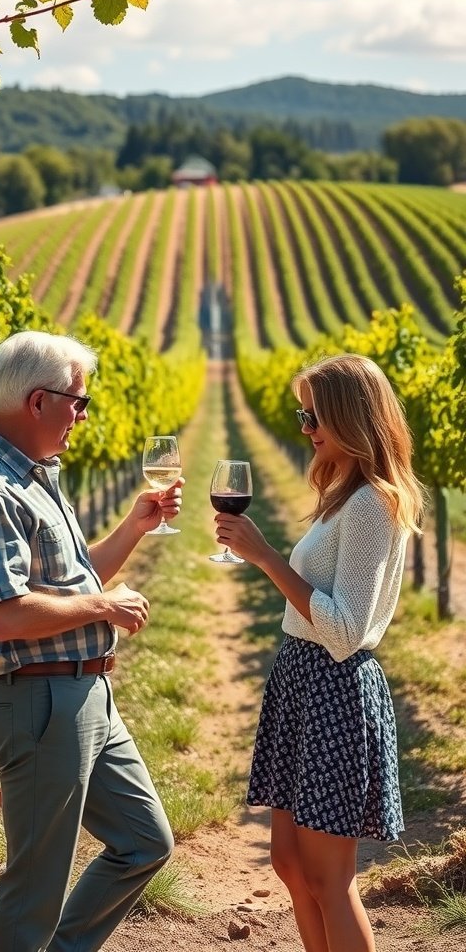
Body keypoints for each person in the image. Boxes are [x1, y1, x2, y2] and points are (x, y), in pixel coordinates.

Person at [0, 330, 183, 952]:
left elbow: (77, 579)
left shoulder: (36, 474)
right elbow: (8, 616)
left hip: (84, 694)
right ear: (36, 400)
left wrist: (136, 524)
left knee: (144, 841)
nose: (82, 414)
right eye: (78, 400)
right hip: (40, 703)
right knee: (35, 886)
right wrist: (103, 606)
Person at [213, 353, 424, 952]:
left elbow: (344, 629)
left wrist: (266, 557)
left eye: (314, 418)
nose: (305, 429)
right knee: (289, 863)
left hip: (333, 687)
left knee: (329, 877)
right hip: (301, 682)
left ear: (350, 419)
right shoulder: (343, 494)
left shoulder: (369, 506)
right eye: (301, 416)